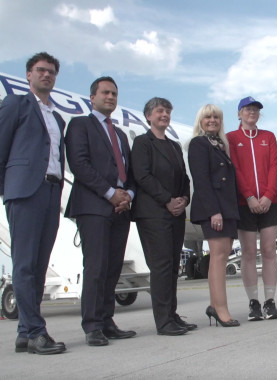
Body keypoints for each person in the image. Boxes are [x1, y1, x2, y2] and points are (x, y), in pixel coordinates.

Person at [0, 52, 66, 355]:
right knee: (25, 264)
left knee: (39, 266)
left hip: (52, 192)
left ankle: (25, 334)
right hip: (25, 192)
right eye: (41, 70)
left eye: (51, 71)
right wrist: (8, 191)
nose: (47, 75)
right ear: (29, 75)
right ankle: (38, 332)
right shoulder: (16, 104)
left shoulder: (57, 116)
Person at [65, 76, 137, 346]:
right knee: (96, 267)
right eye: (105, 92)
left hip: (120, 208)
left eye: (115, 94)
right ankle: (92, 325)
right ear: (92, 97)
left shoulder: (119, 134)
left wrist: (127, 194)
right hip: (94, 206)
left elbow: (129, 172)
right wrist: (110, 193)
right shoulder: (80, 125)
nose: (111, 97)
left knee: (113, 268)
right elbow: (79, 164)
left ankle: (107, 321)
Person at [131, 97, 196, 335]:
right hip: (153, 214)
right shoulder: (142, 143)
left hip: (175, 213)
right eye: (160, 111)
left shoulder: (174, 145)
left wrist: (183, 199)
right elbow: (143, 176)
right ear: (149, 116)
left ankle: (172, 315)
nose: (164, 115)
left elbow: (184, 179)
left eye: (168, 111)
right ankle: (163, 321)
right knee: (160, 267)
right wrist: (167, 199)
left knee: (171, 268)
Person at [227, 96, 277, 321]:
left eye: (256, 110)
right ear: (239, 113)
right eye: (248, 109)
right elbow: (236, 169)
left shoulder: (268, 137)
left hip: (269, 202)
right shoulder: (231, 138)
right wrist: (250, 196)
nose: (252, 112)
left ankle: (270, 301)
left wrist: (269, 196)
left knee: (270, 250)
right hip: (244, 203)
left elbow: (273, 167)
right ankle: (253, 302)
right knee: (249, 253)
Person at [188, 104, 240, 327]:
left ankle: (214, 305)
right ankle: (220, 309)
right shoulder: (199, 144)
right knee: (218, 257)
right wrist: (213, 212)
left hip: (226, 207)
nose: (212, 120)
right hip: (214, 209)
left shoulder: (219, 145)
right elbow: (201, 180)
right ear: (200, 120)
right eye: (207, 117)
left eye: (216, 117)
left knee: (223, 255)